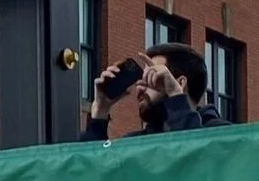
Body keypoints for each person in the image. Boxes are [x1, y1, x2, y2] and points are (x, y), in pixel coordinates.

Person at [80, 42, 233, 140]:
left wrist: (175, 96)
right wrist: (100, 113)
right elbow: (93, 179)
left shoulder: (222, 136)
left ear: (180, 83)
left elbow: (194, 158)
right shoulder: (134, 144)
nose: (139, 87)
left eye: (151, 78)